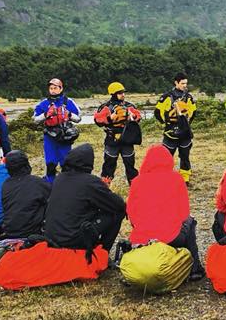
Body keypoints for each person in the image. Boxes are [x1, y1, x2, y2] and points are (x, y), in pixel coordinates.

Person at [127, 144, 204, 281]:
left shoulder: (136, 182)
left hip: (143, 238)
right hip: (172, 237)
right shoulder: (177, 179)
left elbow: (131, 214)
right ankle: (195, 268)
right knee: (190, 222)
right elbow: (184, 212)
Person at [44, 143, 126, 252]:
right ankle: (103, 252)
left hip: (52, 240)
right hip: (73, 241)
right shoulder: (89, 182)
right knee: (117, 212)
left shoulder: (59, 179)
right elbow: (118, 204)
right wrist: (104, 190)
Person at [33, 78, 81, 182]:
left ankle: (66, 185)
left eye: (55, 88)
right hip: (50, 137)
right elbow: (35, 119)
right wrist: (45, 115)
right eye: (51, 88)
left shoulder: (69, 102)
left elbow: (78, 118)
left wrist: (69, 114)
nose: (53, 90)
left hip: (65, 137)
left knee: (66, 164)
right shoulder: (44, 103)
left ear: (61, 88)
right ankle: (50, 185)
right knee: (50, 164)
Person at [95, 81, 142, 185]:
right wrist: (109, 118)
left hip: (127, 139)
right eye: (120, 93)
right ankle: (104, 186)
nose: (123, 95)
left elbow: (138, 116)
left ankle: (135, 185)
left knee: (130, 164)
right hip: (112, 140)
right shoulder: (106, 107)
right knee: (109, 165)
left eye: (123, 93)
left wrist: (133, 117)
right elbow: (98, 120)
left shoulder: (129, 106)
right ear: (113, 94)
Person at [155, 73, 196, 183]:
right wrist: (165, 123)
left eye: (186, 83)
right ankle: (165, 177)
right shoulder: (166, 97)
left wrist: (187, 124)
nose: (184, 86)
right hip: (170, 132)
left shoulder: (188, 97)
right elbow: (157, 112)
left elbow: (193, 112)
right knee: (166, 157)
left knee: (185, 156)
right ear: (176, 82)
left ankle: (185, 179)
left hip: (185, 133)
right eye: (182, 83)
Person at [0, 150, 51, 239]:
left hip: (9, 232)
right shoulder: (37, 182)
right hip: (32, 233)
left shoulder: (6, 184)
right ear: (26, 164)